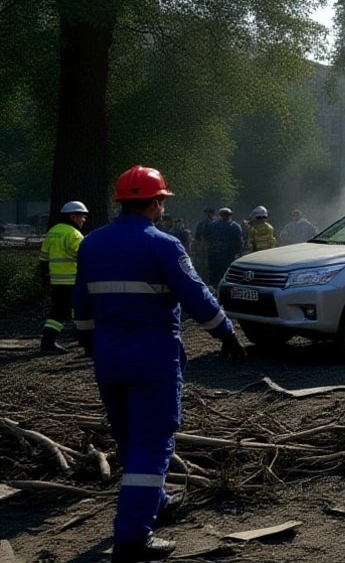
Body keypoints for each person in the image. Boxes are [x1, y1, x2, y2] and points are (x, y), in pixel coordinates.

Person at [72, 166, 247, 562]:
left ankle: (156, 500)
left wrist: (88, 341)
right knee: (152, 443)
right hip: (153, 360)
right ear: (155, 203)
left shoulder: (92, 244)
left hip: (109, 359)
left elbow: (81, 303)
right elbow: (197, 296)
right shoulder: (164, 244)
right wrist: (227, 334)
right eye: (162, 203)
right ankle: (133, 538)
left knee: (129, 438)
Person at [37, 201, 89, 354]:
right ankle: (50, 342)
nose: (84, 220)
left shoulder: (53, 232)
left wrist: (45, 277)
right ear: (73, 216)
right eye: (82, 216)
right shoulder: (74, 234)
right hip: (72, 279)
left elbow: (43, 257)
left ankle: (73, 337)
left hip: (56, 280)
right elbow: (84, 257)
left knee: (60, 309)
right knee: (72, 309)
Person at [205, 208, 242, 287]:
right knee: (227, 277)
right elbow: (239, 242)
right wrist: (237, 252)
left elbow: (206, 239)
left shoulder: (212, 225)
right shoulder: (235, 226)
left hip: (214, 256)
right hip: (227, 256)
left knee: (215, 278)